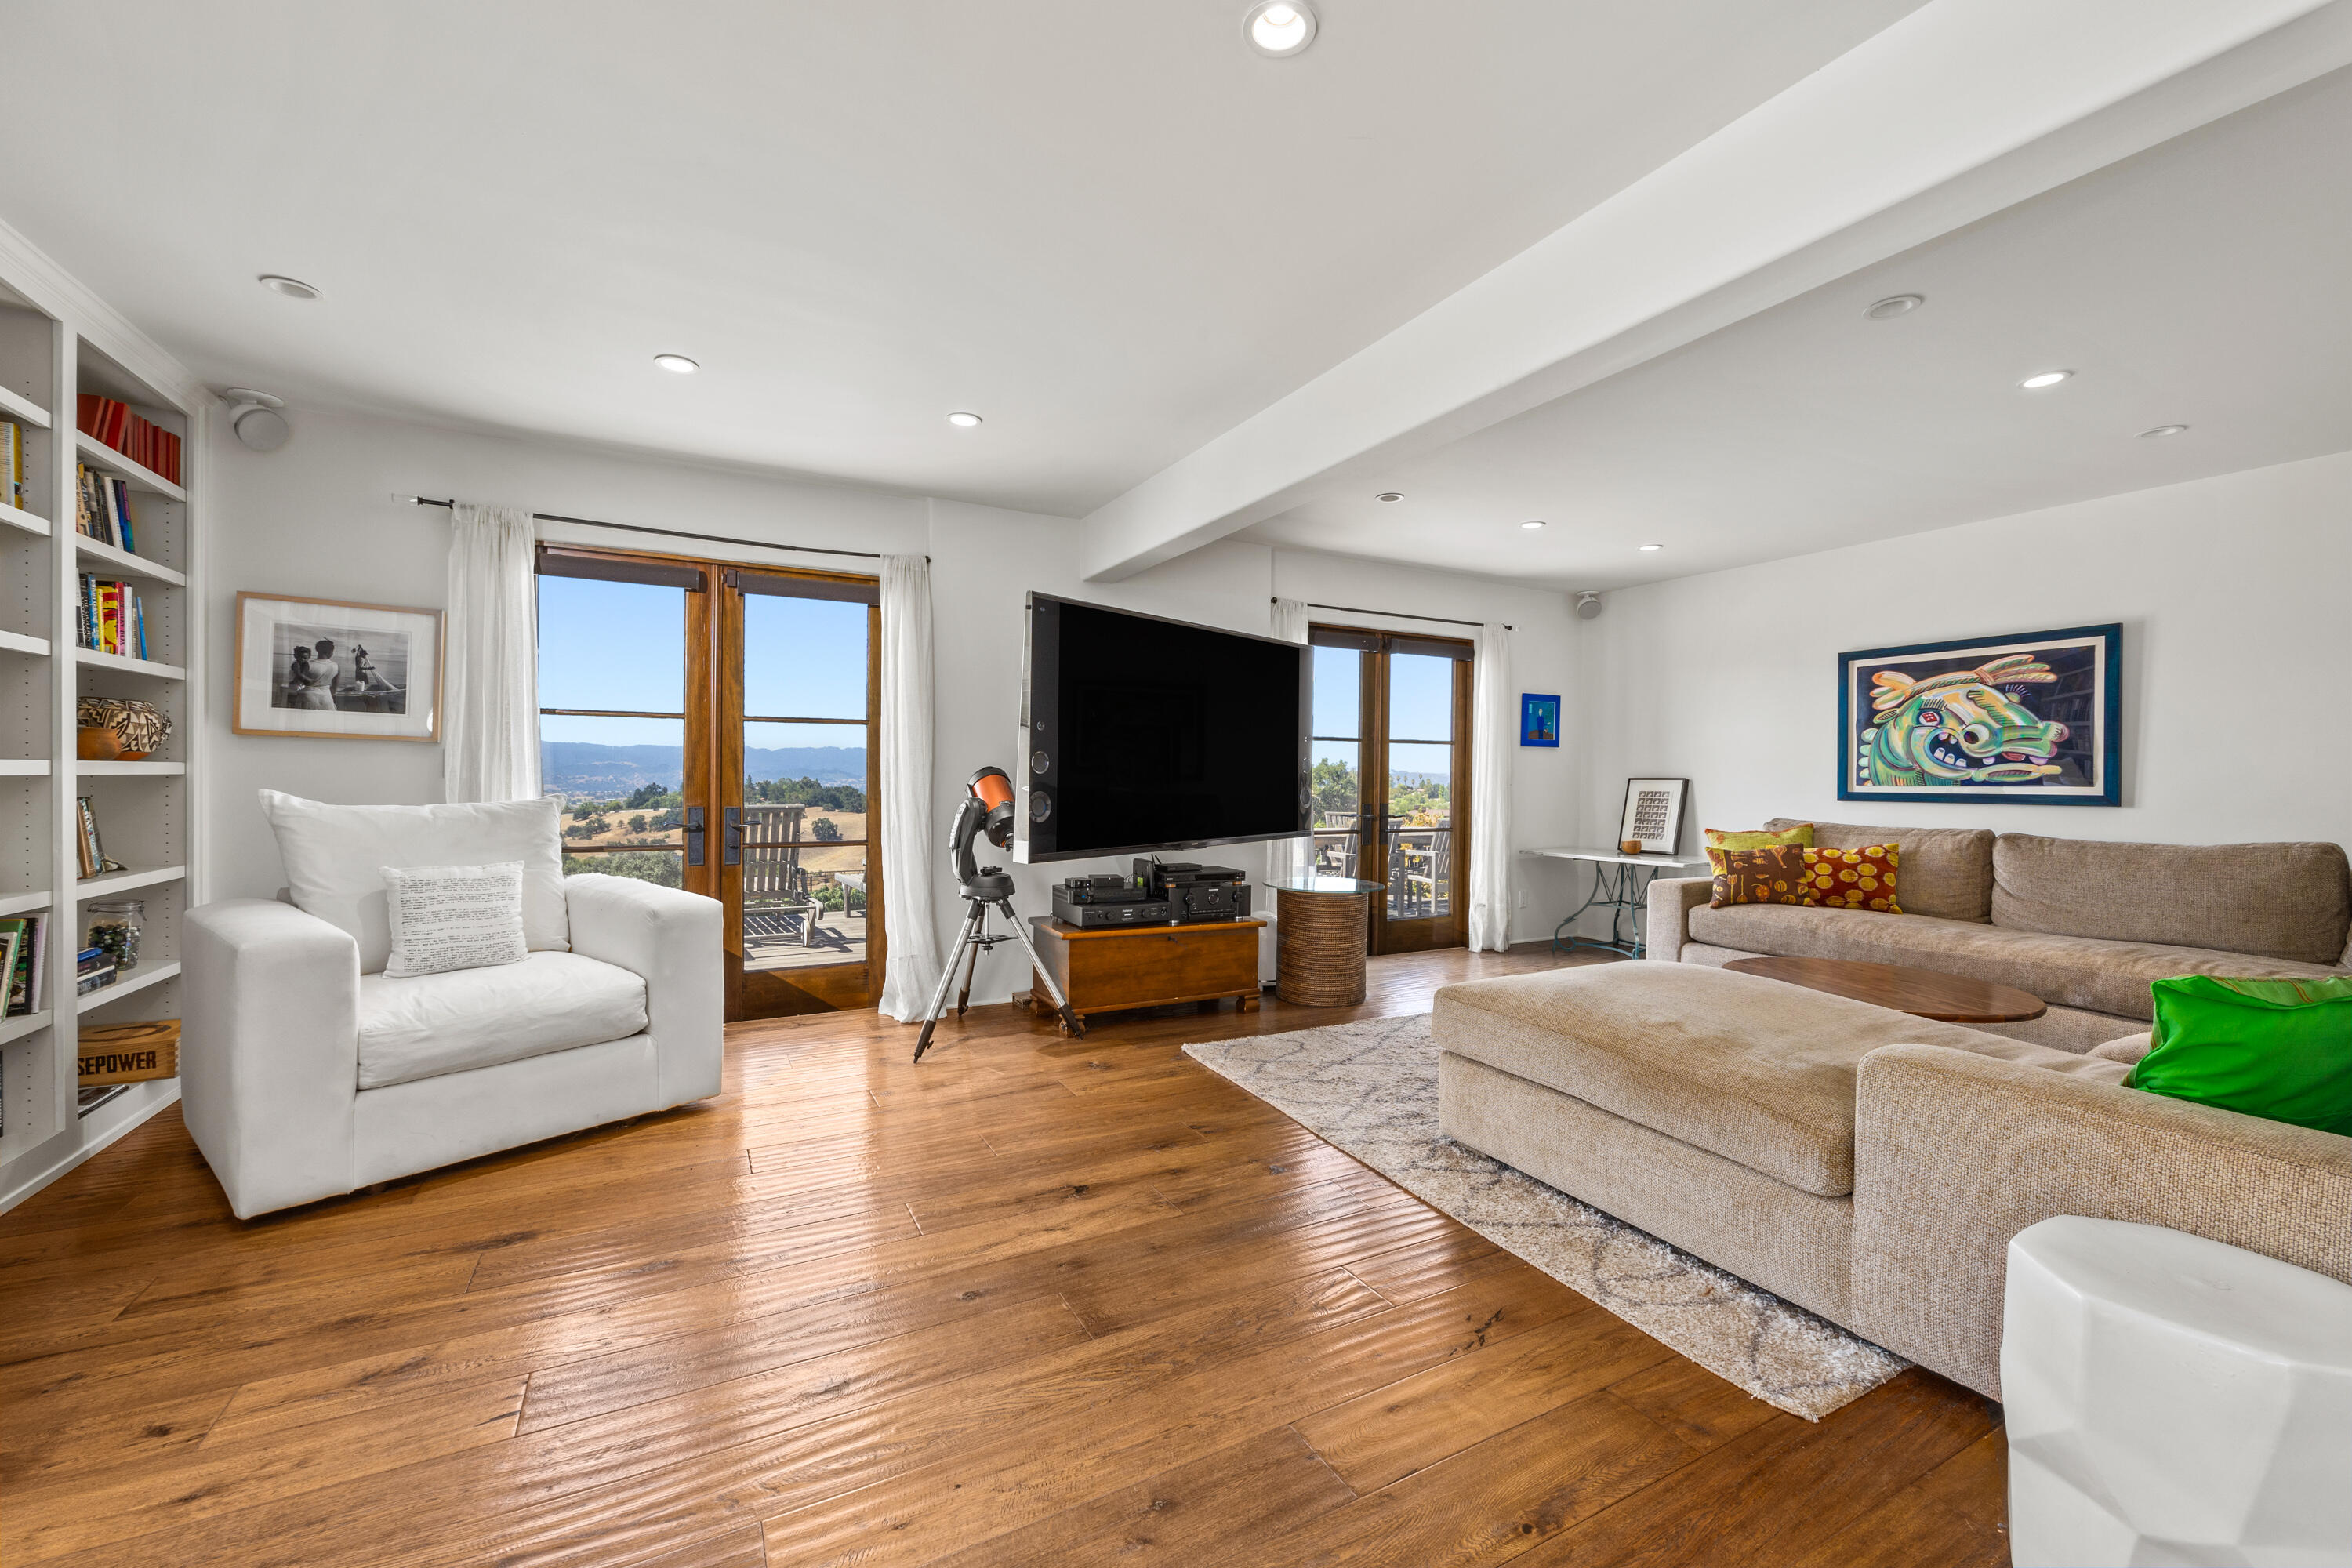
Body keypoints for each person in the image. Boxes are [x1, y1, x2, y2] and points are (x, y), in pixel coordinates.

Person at [285, 637, 339, 710]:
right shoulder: (336, 666)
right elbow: (334, 688)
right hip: (327, 699)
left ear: (317, 649)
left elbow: (298, 682)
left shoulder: (308, 664)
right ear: (330, 652)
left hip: (308, 698)